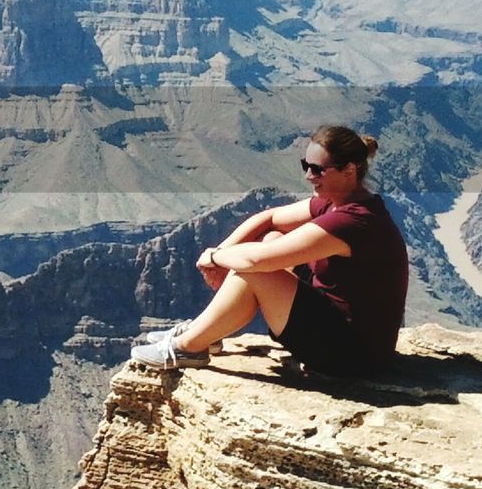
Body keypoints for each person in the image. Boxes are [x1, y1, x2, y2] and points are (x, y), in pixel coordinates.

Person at [130, 124, 408, 376]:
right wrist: (223, 251)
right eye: (305, 165)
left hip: (353, 355)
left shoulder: (352, 220)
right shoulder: (337, 200)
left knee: (255, 271)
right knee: (272, 238)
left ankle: (187, 347)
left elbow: (255, 261)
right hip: (340, 327)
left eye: (318, 170)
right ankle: (206, 332)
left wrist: (214, 256)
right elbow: (270, 218)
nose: (309, 176)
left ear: (349, 170)